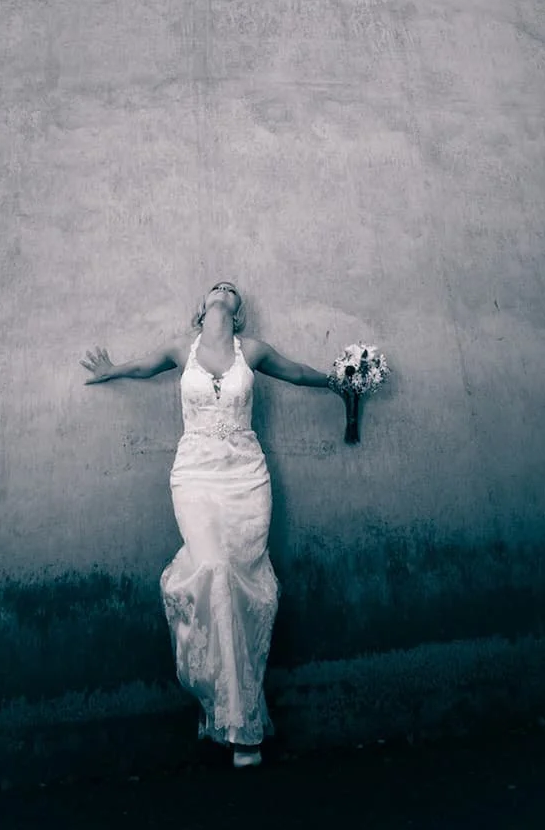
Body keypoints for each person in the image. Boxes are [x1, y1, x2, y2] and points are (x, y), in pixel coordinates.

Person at [81, 281, 334, 767]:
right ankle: (226, 709)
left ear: (236, 312)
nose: (223, 289)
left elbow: (298, 373)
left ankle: (237, 721)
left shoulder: (252, 351)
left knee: (238, 584)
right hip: (195, 474)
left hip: (246, 477)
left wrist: (340, 378)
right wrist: (111, 370)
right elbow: (142, 366)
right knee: (213, 570)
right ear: (202, 308)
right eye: (216, 287)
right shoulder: (182, 347)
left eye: (231, 289)